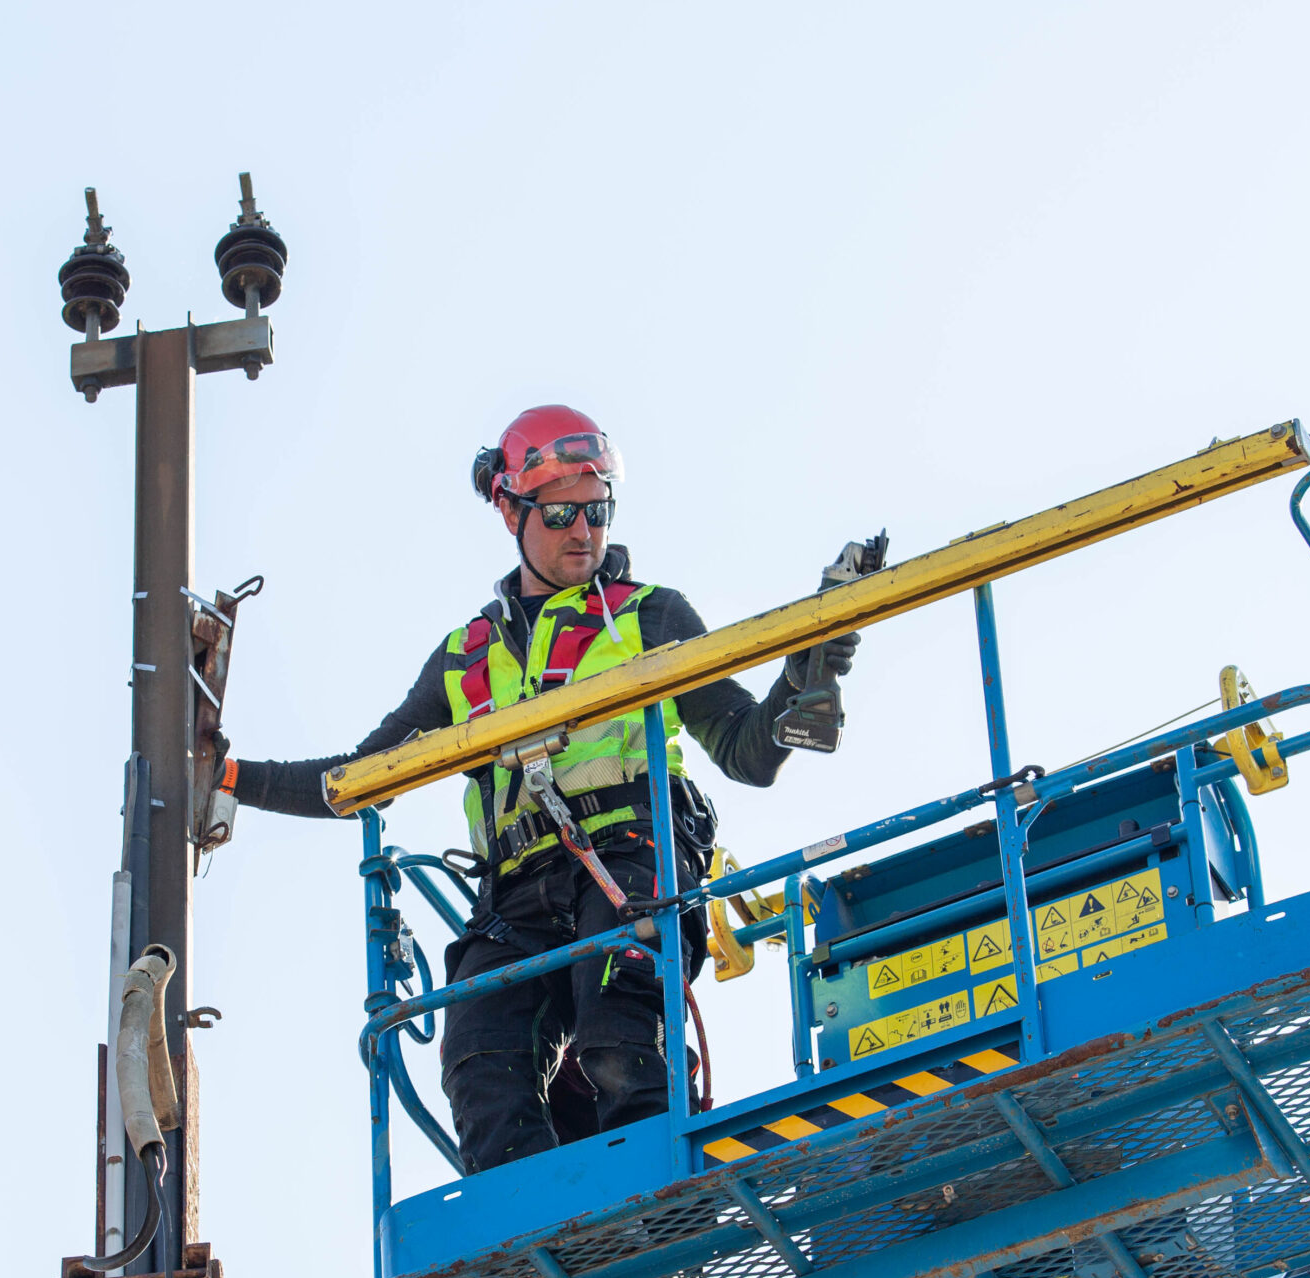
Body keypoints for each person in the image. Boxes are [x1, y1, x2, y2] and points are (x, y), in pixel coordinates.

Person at [223, 405, 860, 1173]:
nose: (582, 533)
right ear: (509, 510)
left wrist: (805, 673)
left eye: (598, 512)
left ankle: (669, 1220)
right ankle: (532, 1251)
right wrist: (228, 776)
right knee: (478, 1053)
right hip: (514, 895)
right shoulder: (466, 657)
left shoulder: (648, 617)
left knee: (619, 1037)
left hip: (631, 861)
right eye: (560, 514)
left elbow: (746, 750)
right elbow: (357, 780)